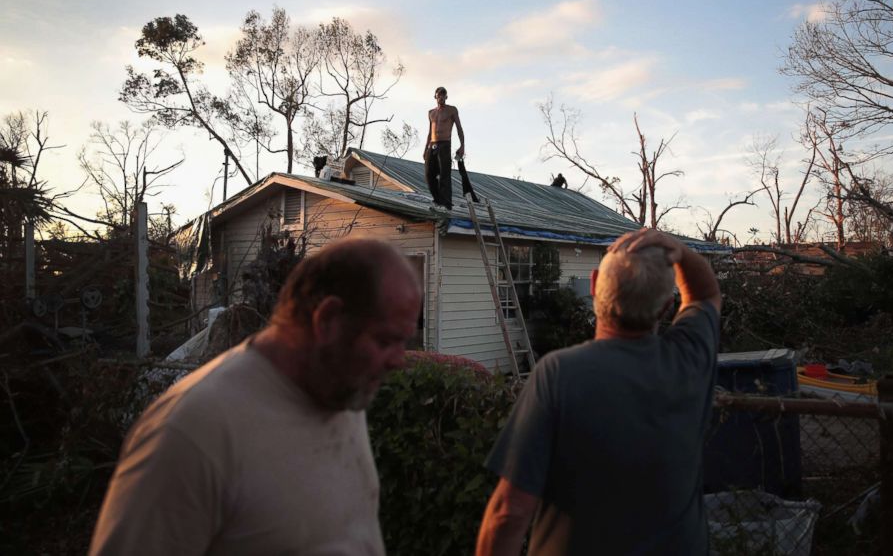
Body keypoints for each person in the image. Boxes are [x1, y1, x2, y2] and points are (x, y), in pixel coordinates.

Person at [90, 237, 422, 556]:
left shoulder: (342, 386)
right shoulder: (191, 432)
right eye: (384, 341)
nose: (398, 360)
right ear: (328, 320)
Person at [476, 228, 722, 556]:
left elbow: (510, 513)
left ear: (593, 286)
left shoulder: (560, 374)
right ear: (666, 306)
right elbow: (705, 295)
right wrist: (678, 249)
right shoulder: (690, 360)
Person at [423, 86, 465, 209]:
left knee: (444, 175)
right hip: (432, 144)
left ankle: (446, 203)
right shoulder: (431, 113)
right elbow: (430, 132)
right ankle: (437, 199)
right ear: (435, 97)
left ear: (446, 97)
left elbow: (459, 128)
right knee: (429, 174)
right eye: (438, 95)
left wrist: (462, 146)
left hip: (445, 144)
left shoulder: (452, 110)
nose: (441, 97)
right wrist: (426, 148)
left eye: (443, 95)